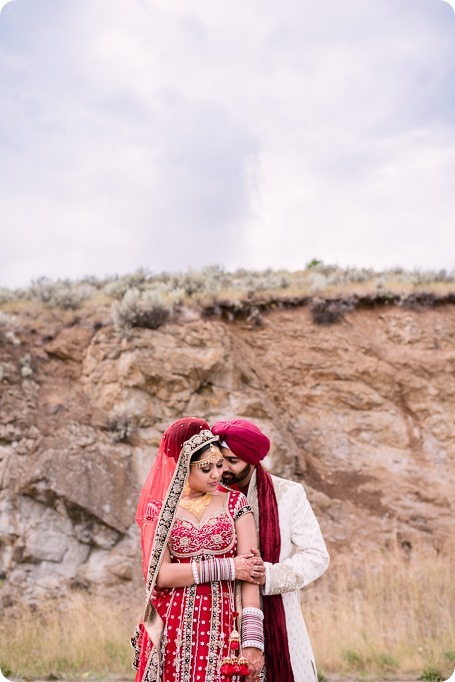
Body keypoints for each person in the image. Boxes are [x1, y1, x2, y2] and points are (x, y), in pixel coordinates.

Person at [132, 417, 267, 682]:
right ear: (184, 467)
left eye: (219, 464)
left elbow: (250, 575)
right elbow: (160, 575)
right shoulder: (161, 511)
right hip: (174, 624)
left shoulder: (235, 503)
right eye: (206, 468)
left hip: (226, 625)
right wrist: (229, 567)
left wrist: (253, 642)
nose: (217, 474)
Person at [211, 419, 330, 682]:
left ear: (252, 459)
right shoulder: (208, 495)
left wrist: (266, 574)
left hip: (279, 614)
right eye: (220, 460)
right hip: (217, 613)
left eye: (232, 461)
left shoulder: (288, 494)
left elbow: (316, 556)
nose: (224, 469)